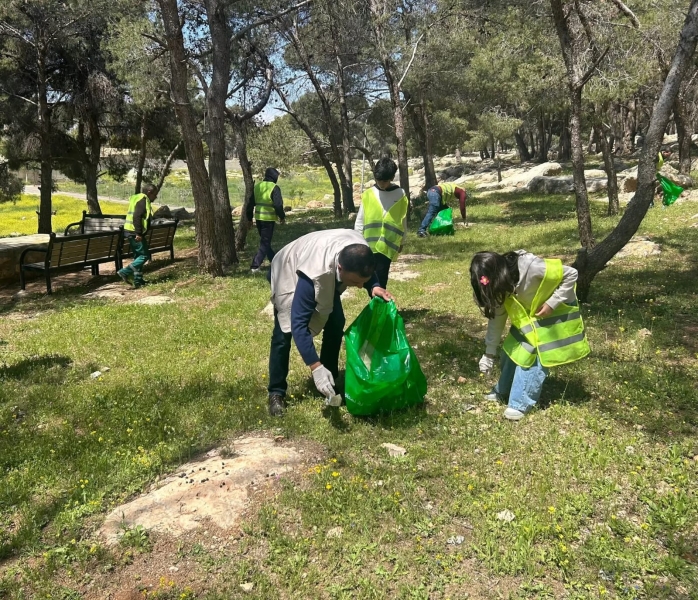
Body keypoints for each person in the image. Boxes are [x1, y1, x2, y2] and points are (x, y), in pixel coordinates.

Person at [266, 229, 394, 416]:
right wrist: (314, 366)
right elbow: (298, 324)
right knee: (283, 334)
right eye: (355, 281)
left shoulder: (360, 251)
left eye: (362, 282)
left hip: (321, 260)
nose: (359, 286)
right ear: (340, 268)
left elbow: (364, 270)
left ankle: (330, 380)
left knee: (336, 322)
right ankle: (276, 392)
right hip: (288, 266)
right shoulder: (315, 274)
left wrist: (373, 286)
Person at [470, 250, 590, 421]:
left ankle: (519, 403)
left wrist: (552, 303)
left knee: (533, 355)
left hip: (556, 313)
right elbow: (497, 320)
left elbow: (571, 273)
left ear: (499, 277)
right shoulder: (501, 285)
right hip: (531, 318)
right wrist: (489, 353)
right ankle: (503, 390)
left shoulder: (533, 268)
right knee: (512, 350)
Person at [354, 157, 408, 288]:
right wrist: (357, 241)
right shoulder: (368, 194)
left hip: (387, 244)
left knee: (381, 277)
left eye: (385, 181)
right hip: (368, 244)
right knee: (367, 277)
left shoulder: (400, 193)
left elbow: (403, 219)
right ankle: (375, 296)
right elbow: (360, 220)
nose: (382, 184)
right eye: (379, 180)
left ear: (392, 178)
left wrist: (402, 241)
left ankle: (379, 298)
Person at [246, 167, 285, 273]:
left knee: (265, 242)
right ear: (274, 177)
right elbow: (278, 205)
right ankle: (255, 266)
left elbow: (250, 204)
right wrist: (282, 217)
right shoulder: (274, 187)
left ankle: (276, 262)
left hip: (258, 218)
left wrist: (249, 218)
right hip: (268, 219)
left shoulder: (257, 186)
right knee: (265, 243)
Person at [118, 183, 157, 288]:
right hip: (134, 233)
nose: (156, 197)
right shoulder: (142, 200)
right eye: (155, 194)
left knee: (138, 256)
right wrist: (138, 233)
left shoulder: (138, 198)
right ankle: (124, 272)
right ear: (149, 192)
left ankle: (138, 281)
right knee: (144, 256)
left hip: (131, 231)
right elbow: (137, 216)